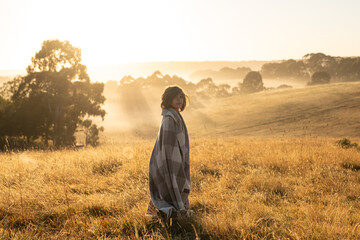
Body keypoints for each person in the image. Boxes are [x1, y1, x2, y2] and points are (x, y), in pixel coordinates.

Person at [146, 86, 190, 222]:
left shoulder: (176, 116)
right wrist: (172, 166)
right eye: (176, 97)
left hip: (176, 160)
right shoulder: (169, 120)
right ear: (168, 99)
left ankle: (171, 215)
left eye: (181, 97)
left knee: (173, 187)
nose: (179, 99)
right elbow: (167, 149)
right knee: (168, 186)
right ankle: (166, 217)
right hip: (167, 161)